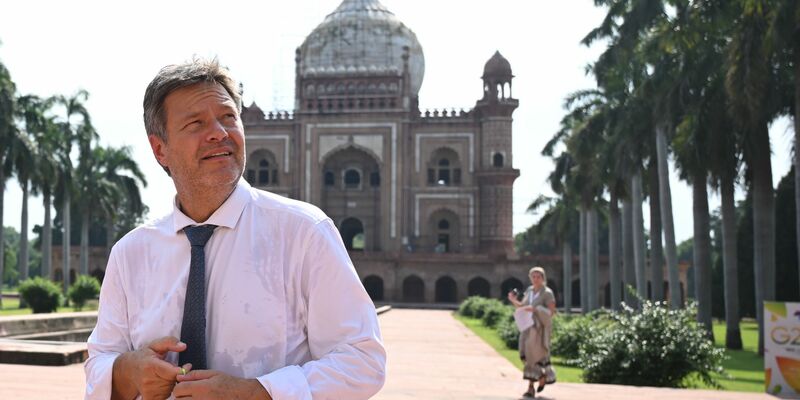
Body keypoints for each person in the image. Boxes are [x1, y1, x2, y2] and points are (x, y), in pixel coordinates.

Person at [84, 58, 386, 400]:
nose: (219, 132)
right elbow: (99, 362)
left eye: (228, 118)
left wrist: (256, 393)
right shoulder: (131, 253)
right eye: (196, 123)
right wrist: (128, 372)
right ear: (160, 149)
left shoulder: (303, 234)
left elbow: (363, 361)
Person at [507, 266, 556, 398]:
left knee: (534, 357)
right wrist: (513, 301)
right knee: (526, 355)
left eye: (538, 277)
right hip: (527, 327)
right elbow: (524, 307)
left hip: (539, 330)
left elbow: (551, 312)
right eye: (533, 276)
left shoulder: (547, 293)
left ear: (543, 278)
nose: (535, 279)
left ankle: (530, 388)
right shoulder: (529, 290)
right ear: (530, 278)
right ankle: (541, 377)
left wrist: (537, 309)